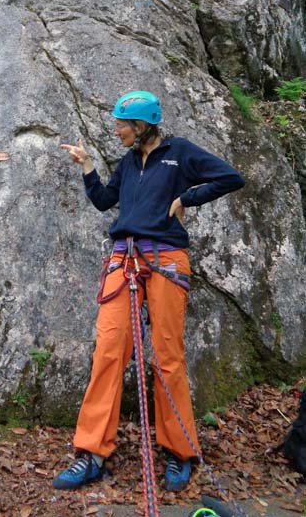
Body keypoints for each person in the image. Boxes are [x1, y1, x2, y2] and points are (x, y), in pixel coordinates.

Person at [55, 90, 245, 491]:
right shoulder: (127, 163)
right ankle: (91, 453)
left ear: (142, 126)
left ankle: (179, 451)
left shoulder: (180, 153)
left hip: (166, 259)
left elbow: (231, 177)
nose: (117, 130)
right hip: (124, 260)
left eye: (122, 124)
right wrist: (88, 166)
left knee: (166, 355)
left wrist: (187, 197)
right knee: (108, 350)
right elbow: (105, 201)